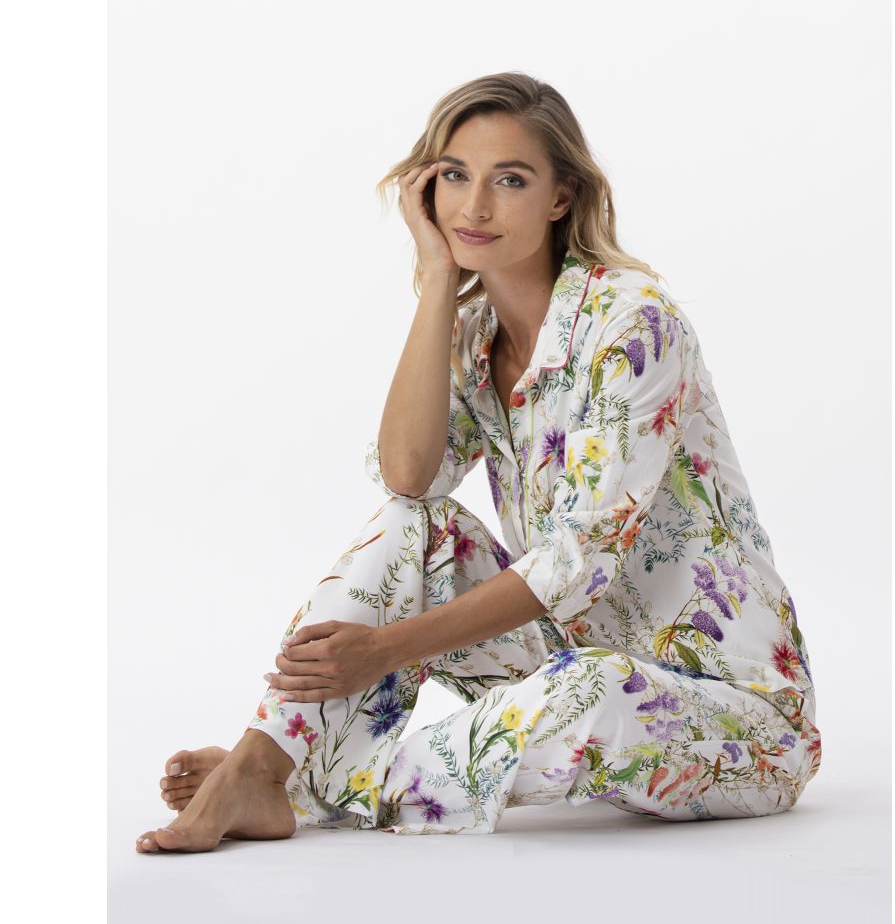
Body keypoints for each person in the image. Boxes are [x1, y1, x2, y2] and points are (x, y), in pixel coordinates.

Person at [136, 72, 822, 853]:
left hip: (737, 721)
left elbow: (577, 563)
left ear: (561, 197)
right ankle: (262, 761)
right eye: (456, 176)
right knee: (417, 526)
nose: (475, 207)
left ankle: (298, 784)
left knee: (590, 688)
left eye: (511, 180)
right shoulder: (472, 333)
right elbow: (409, 479)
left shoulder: (632, 323)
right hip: (567, 657)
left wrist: (385, 651)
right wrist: (437, 284)